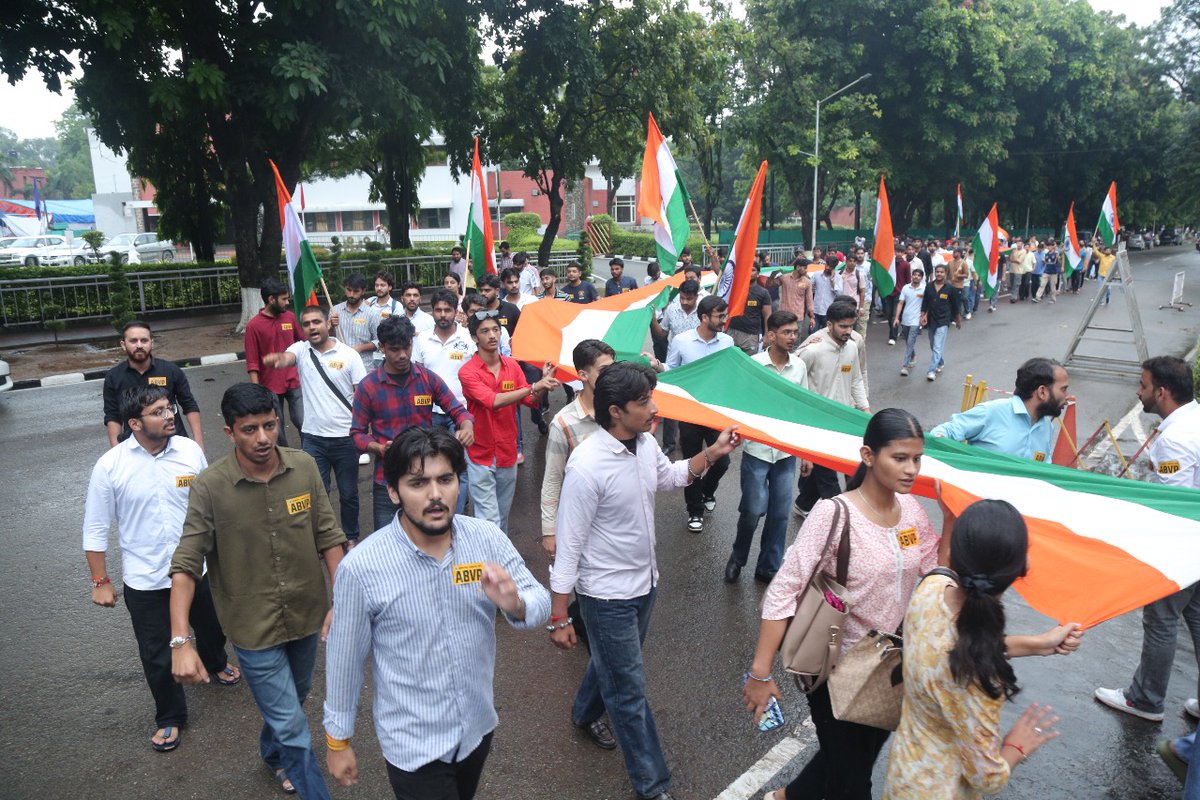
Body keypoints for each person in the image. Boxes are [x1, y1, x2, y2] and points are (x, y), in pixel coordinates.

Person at [323, 427, 550, 799]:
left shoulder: (485, 538)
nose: (435, 495)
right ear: (394, 491)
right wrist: (338, 740)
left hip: (476, 728)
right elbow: (344, 658)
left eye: (445, 479)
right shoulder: (361, 568)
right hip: (414, 747)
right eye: (417, 483)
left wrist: (515, 603)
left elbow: (537, 599)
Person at [551, 362, 740, 800]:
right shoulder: (587, 466)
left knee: (616, 664)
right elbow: (569, 545)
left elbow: (669, 477)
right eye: (644, 402)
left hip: (645, 585)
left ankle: (583, 712)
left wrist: (712, 453)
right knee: (630, 692)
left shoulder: (643, 443)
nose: (654, 409)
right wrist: (560, 617)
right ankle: (653, 784)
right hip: (605, 597)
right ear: (616, 411)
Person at [743, 409, 941, 800]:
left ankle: (786, 797)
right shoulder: (834, 514)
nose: (911, 469)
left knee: (854, 758)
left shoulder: (913, 513)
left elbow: (938, 574)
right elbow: (783, 592)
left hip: (887, 667)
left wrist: (952, 517)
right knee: (853, 784)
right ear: (868, 456)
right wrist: (760, 674)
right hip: (834, 670)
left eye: (917, 459)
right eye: (899, 458)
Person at [170, 382, 345, 799]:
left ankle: (272, 753)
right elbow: (187, 561)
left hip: (307, 613)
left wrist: (343, 601)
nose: (264, 438)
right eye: (250, 429)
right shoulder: (210, 486)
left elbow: (328, 537)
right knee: (293, 725)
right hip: (252, 627)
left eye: (270, 425)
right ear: (229, 432)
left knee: (294, 699)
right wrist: (181, 639)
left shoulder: (303, 467)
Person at [84, 385, 237, 754]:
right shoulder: (111, 466)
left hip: (195, 568)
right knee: (156, 652)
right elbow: (95, 526)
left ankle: (216, 662)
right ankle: (169, 716)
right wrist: (101, 580)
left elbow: (211, 506)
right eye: (158, 412)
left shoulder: (189, 451)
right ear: (134, 423)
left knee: (212, 626)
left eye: (169, 409)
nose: (170, 416)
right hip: (145, 579)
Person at [882, 500, 1070, 799]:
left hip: (904, 778)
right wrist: (1015, 747)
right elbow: (986, 778)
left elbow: (951, 642)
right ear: (1023, 567)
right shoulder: (980, 673)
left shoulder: (929, 592)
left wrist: (1038, 644)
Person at [1098, 356, 1200, 724]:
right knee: (1197, 618)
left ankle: (1145, 699)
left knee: (1161, 619)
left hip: (1185, 545)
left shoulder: (1175, 439)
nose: (1138, 393)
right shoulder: (1195, 419)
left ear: (1161, 391)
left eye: (1142, 386)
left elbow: (1175, 503)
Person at [352, 315, 474, 531]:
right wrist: (378, 448)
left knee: (432, 534)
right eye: (394, 349)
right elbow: (357, 434)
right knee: (387, 542)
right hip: (387, 478)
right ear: (382, 347)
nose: (402, 355)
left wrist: (466, 425)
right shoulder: (368, 387)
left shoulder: (427, 379)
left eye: (406, 347)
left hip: (426, 476)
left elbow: (457, 410)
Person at [261, 305, 367, 545]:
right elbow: (287, 358)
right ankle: (326, 538)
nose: (312, 327)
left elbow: (361, 396)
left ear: (328, 323)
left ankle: (351, 537)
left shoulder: (349, 355)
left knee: (349, 494)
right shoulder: (299, 350)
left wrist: (362, 430)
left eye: (316, 322)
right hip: (313, 439)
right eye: (307, 324)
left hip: (345, 438)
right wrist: (279, 360)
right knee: (318, 494)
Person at [725, 311, 808, 584]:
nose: (793, 337)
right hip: (757, 451)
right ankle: (738, 558)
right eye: (787, 332)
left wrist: (806, 453)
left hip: (786, 453)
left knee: (780, 514)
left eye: (795, 332)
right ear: (771, 335)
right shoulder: (755, 365)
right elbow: (739, 402)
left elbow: (802, 408)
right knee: (752, 510)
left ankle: (768, 567)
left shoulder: (799, 367)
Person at [459, 309, 558, 534]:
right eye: (485, 331)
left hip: (507, 450)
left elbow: (531, 401)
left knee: (501, 517)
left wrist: (543, 384)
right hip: (480, 453)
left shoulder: (512, 366)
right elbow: (492, 401)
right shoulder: (468, 371)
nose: (492, 335)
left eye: (496, 329)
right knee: (489, 518)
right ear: (475, 338)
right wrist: (533, 386)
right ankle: (488, 562)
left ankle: (494, 561)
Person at [661, 295, 735, 533]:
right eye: (719, 316)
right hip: (690, 414)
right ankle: (695, 511)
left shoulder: (727, 342)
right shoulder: (682, 341)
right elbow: (672, 369)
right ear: (704, 317)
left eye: (724, 315)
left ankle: (707, 491)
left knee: (722, 461)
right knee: (693, 462)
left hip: (717, 413)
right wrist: (657, 367)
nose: (724, 320)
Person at [539, 339, 615, 558]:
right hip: (582, 525)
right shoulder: (563, 423)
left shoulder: (622, 410)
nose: (611, 375)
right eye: (603, 371)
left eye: (614, 368)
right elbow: (553, 479)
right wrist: (550, 532)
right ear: (583, 375)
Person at [794, 297, 870, 515]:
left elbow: (855, 380)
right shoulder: (812, 350)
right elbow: (794, 378)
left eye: (851, 326)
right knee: (829, 480)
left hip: (843, 420)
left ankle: (804, 504)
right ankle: (841, 517)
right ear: (829, 324)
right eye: (843, 326)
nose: (848, 331)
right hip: (817, 424)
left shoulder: (852, 348)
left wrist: (865, 411)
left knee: (841, 467)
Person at [413, 288, 477, 514]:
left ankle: (454, 516)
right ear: (432, 312)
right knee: (431, 466)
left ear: (455, 311)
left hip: (461, 413)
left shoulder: (469, 338)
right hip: (429, 414)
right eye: (438, 310)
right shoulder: (421, 340)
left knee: (460, 467)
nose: (442, 314)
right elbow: (417, 374)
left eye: (447, 310)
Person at [930, 358, 1069, 462]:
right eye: (1063, 389)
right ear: (1042, 392)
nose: (1067, 397)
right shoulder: (991, 412)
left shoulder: (1046, 427)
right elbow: (943, 433)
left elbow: (1043, 470)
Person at [103, 320, 204, 449]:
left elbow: (189, 405)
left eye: (144, 340)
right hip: (135, 448)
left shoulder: (171, 370)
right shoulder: (114, 377)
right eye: (133, 341)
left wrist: (199, 443)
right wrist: (116, 451)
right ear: (123, 344)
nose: (139, 345)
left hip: (174, 443)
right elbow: (113, 415)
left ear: (152, 342)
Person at [243, 278, 303, 446]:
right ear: (271, 299)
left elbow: (303, 344)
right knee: (277, 426)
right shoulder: (253, 326)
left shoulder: (290, 318)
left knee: (303, 421)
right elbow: (252, 363)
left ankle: (311, 455)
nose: (287, 302)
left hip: (295, 381)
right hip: (269, 387)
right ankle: (285, 457)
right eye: (283, 299)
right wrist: (256, 393)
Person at [649, 278, 702, 456]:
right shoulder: (672, 309)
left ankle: (693, 437)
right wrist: (652, 320)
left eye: (689, 299)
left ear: (697, 296)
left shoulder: (704, 312)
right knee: (671, 402)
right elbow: (662, 334)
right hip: (675, 364)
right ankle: (669, 443)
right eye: (682, 298)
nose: (685, 302)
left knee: (695, 403)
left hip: (696, 365)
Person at [919, 263, 962, 382]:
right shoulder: (929, 286)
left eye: (942, 272)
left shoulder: (950, 288)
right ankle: (940, 361)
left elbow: (955, 306)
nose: (939, 274)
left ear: (946, 274)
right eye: (937, 272)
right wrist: (923, 315)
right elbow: (925, 302)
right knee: (933, 345)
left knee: (937, 346)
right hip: (931, 320)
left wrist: (958, 319)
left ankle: (931, 371)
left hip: (943, 320)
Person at [329, 272, 379, 373]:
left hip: (364, 367)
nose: (351, 295)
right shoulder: (335, 310)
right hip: (340, 366)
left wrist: (360, 348)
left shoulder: (372, 313)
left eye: (356, 291)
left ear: (363, 291)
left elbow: (379, 342)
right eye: (349, 290)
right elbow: (328, 340)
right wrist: (330, 327)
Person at [727, 262, 773, 354]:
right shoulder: (734, 288)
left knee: (748, 363)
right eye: (747, 269)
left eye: (753, 270)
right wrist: (713, 257)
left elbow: (768, 316)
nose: (749, 272)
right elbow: (722, 274)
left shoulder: (763, 292)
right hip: (731, 332)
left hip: (751, 335)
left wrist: (767, 335)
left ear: (758, 274)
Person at [893, 267, 925, 377]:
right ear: (912, 276)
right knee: (907, 341)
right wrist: (897, 318)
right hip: (905, 319)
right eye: (914, 274)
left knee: (910, 341)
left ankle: (904, 366)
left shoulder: (924, 289)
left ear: (921, 278)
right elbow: (900, 303)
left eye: (919, 275)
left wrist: (924, 317)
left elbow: (927, 305)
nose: (916, 277)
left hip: (916, 320)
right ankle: (913, 355)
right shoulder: (906, 288)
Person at [777, 258, 815, 334]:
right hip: (785, 316)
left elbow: (809, 300)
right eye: (805, 268)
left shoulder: (807, 282)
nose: (806, 270)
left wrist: (812, 317)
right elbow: (770, 284)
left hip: (798, 317)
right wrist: (773, 274)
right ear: (798, 267)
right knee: (784, 339)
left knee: (796, 341)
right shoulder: (784, 278)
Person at [811, 256, 838, 329]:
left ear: (834, 267)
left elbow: (839, 294)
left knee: (827, 335)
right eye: (827, 265)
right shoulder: (817, 274)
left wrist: (832, 281)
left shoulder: (838, 277)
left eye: (830, 266)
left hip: (828, 313)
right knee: (812, 333)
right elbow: (809, 285)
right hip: (815, 311)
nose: (827, 267)